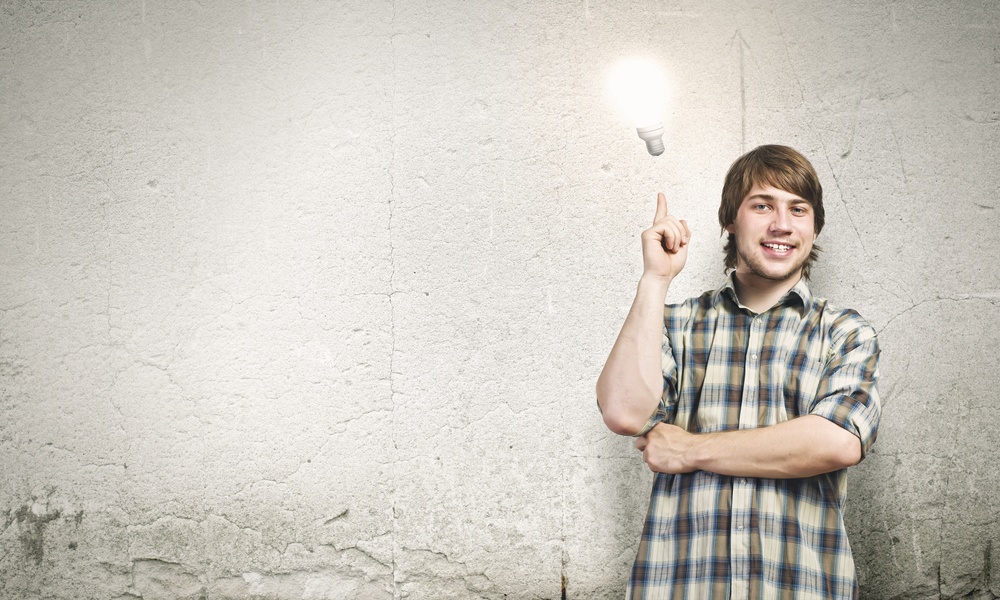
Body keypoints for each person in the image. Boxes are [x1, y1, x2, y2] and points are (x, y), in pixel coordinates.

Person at [596, 145, 881, 599]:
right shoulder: (674, 323)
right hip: (677, 586)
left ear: (814, 225)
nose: (782, 224)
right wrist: (655, 280)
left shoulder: (845, 332)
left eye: (798, 209)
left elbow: (836, 442)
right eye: (762, 204)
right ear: (730, 218)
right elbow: (624, 412)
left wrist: (690, 450)